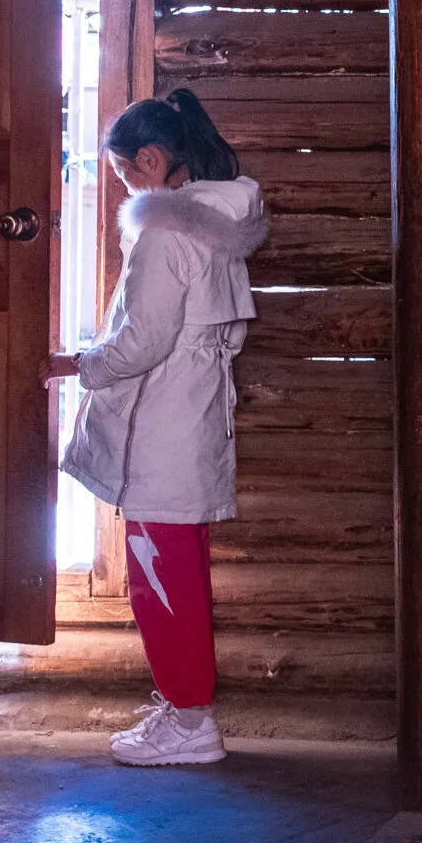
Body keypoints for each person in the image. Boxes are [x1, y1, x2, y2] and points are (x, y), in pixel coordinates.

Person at [42, 90, 266, 767]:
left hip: (164, 424)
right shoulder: (214, 223)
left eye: (123, 175)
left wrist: (82, 365)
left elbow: (144, 341)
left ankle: (190, 720)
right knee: (176, 571)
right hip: (191, 417)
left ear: (151, 158)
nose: (125, 189)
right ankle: (182, 706)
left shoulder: (166, 230)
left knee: (160, 581)